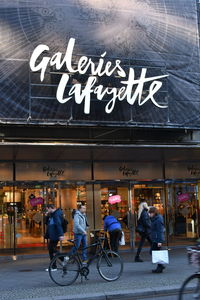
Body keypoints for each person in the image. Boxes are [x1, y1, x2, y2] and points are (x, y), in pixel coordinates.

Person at [45, 204, 64, 271]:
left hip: (55, 235)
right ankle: (56, 264)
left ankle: (62, 259)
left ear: (50, 208)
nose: (47, 210)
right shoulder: (53, 214)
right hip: (53, 234)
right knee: (51, 249)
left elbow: (58, 224)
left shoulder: (56, 214)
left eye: (47, 209)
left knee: (51, 249)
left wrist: (61, 234)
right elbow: (47, 223)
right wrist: (47, 216)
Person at [149, 206, 165, 273]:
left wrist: (159, 241)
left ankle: (160, 266)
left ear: (154, 213)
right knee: (156, 252)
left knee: (154, 252)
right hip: (155, 238)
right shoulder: (154, 219)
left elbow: (160, 230)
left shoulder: (158, 219)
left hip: (157, 239)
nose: (149, 214)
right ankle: (160, 266)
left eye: (150, 213)